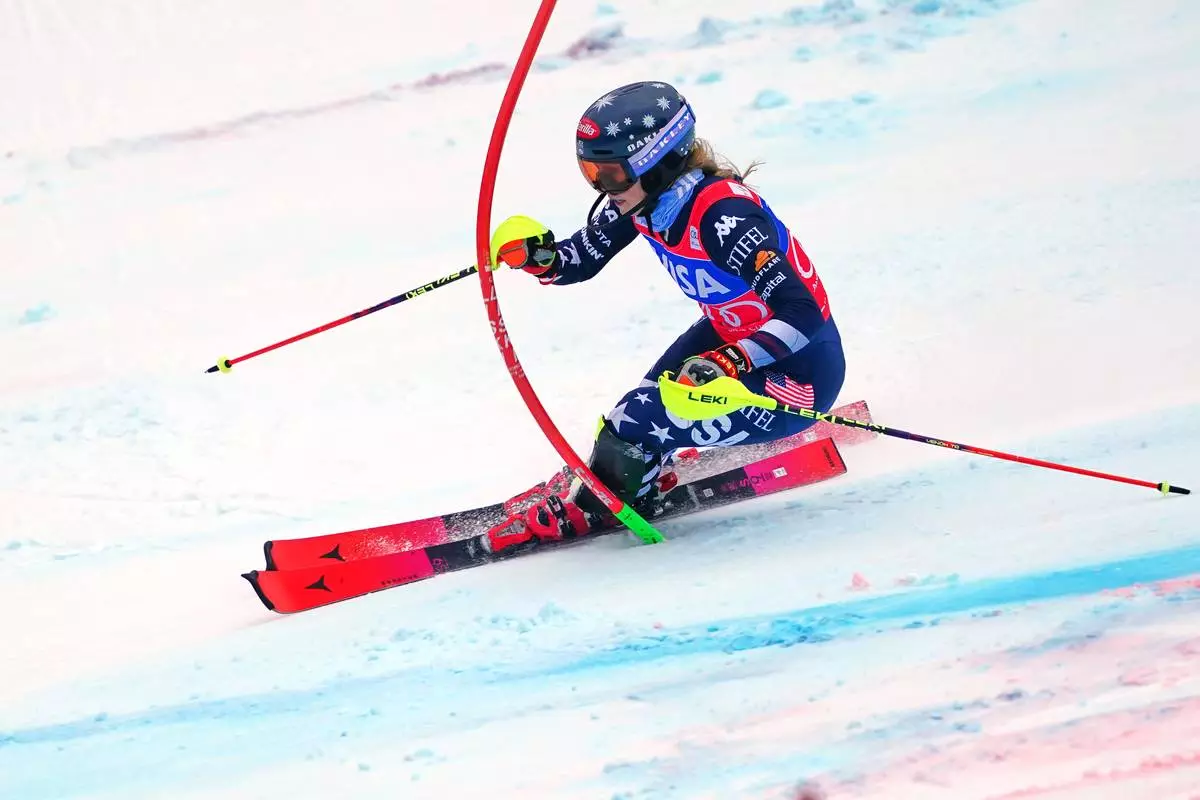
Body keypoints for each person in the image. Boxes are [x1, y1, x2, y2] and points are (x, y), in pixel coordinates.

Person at [486, 80, 845, 552]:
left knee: (636, 421)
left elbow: (804, 313)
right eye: (589, 172)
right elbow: (583, 256)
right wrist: (541, 258)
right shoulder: (647, 200)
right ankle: (630, 472)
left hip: (797, 376)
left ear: (657, 161)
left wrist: (730, 362)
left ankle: (600, 503)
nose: (600, 187)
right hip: (729, 339)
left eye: (609, 173)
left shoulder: (723, 218)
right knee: (636, 410)